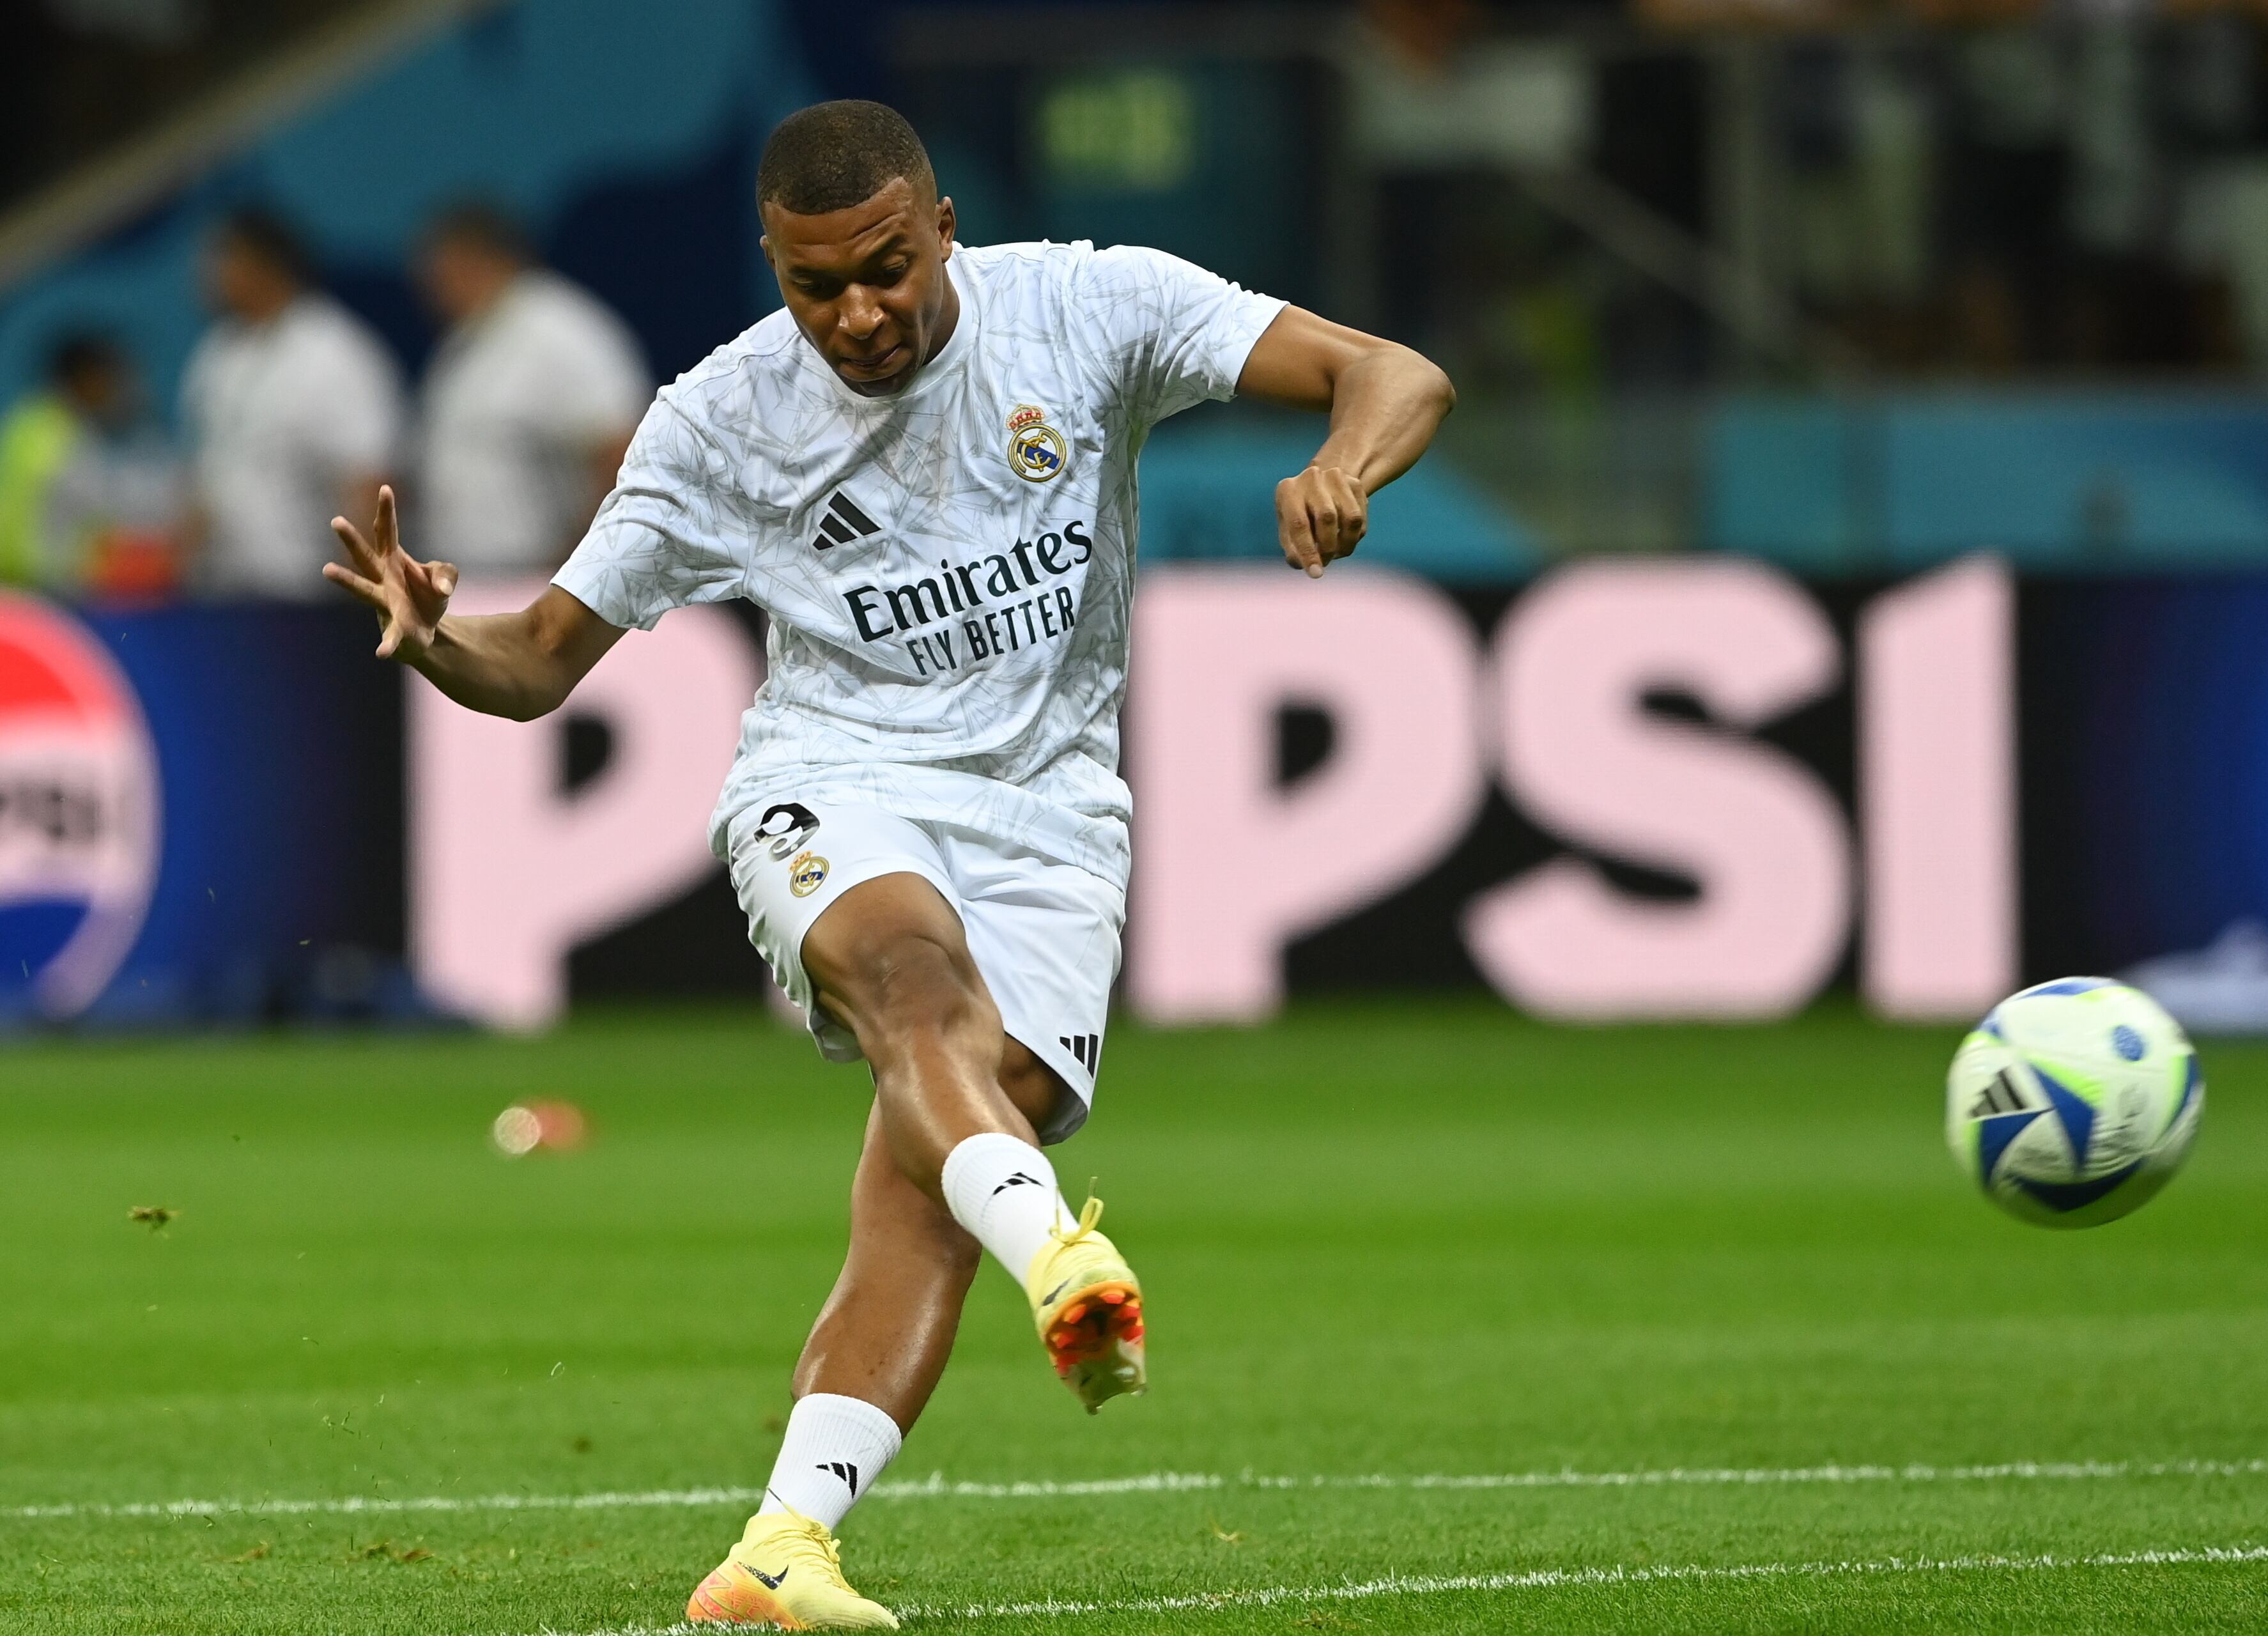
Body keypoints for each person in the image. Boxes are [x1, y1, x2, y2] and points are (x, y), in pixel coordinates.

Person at [325, 100, 1454, 1630]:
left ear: (936, 227)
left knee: (930, 1184)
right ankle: (1058, 1248)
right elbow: (534, 663)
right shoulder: (721, 420)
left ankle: (783, 1547)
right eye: (814, 285)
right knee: (914, 996)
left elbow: (1392, 372)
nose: (856, 312)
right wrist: (434, 634)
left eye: (883, 269)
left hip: (1053, 817)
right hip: (834, 783)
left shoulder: (1085, 308)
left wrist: (1343, 459)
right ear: (773, 269)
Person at [415, 201, 651, 574]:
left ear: (478, 259)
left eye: (439, 269)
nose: (429, 288)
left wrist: (577, 565)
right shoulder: (462, 343)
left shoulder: (561, 329)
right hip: (466, 580)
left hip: (535, 579)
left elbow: (621, 452)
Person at [183, 206, 401, 597]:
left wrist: (362, 591)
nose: (209, 274)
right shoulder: (217, 355)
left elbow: (368, 481)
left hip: (303, 590)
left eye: (224, 259)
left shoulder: (335, 353)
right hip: (221, 590)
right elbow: (206, 477)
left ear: (265, 265)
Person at [0, 331, 178, 598]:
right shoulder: (64, 438)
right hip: (41, 588)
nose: (117, 390)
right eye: (111, 379)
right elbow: (114, 509)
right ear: (86, 377)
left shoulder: (27, 421)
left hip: (17, 580)